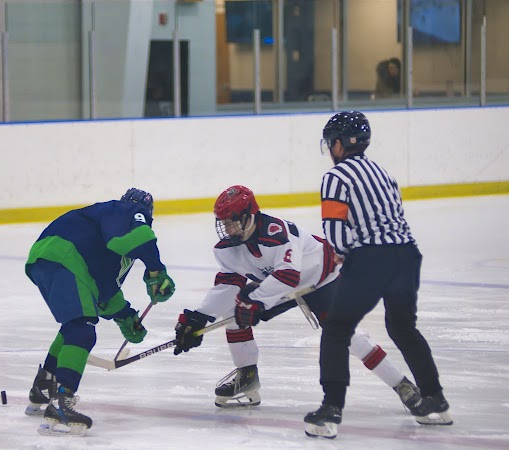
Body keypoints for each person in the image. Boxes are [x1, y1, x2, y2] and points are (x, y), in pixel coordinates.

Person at [172, 185, 421, 411]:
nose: (227, 229)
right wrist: (200, 317)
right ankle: (247, 377)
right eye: (223, 223)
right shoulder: (227, 249)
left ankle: (402, 385)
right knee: (234, 315)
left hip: (322, 279)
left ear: (250, 216)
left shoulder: (277, 233)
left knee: (347, 337)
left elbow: (288, 276)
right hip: (280, 285)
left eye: (232, 221)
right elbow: (228, 284)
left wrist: (256, 301)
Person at [304, 111, 452, 439]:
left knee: (337, 329)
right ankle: (436, 400)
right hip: (407, 256)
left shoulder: (336, 177)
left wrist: (348, 259)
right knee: (402, 328)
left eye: (332, 143)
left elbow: (337, 235)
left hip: (373, 259)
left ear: (339, 144)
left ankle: (330, 409)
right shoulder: (383, 173)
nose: (331, 149)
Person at [24, 188, 175, 436]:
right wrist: (156, 271)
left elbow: (103, 291)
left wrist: (126, 315)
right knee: (82, 332)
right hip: (65, 257)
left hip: (52, 257)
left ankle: (44, 385)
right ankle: (62, 401)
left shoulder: (109, 236)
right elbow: (141, 237)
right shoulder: (127, 211)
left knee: (74, 325)